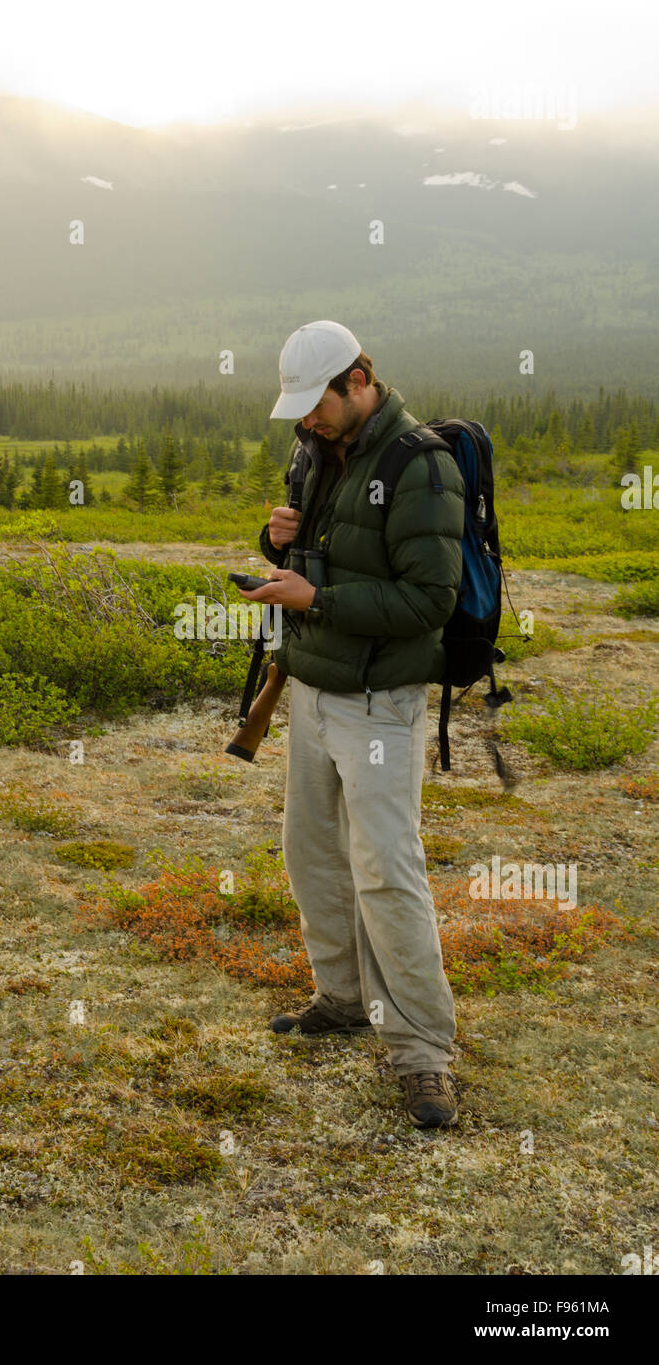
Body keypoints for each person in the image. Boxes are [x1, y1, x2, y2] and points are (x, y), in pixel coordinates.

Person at [238, 320, 465, 1128]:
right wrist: (275, 544)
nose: (306, 420)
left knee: (385, 870)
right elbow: (311, 562)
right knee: (311, 853)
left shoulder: (421, 467)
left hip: (381, 705)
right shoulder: (312, 451)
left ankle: (421, 1054)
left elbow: (428, 601)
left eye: (317, 404)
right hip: (310, 688)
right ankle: (341, 997)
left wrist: (317, 600)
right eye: (298, 409)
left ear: (358, 378)